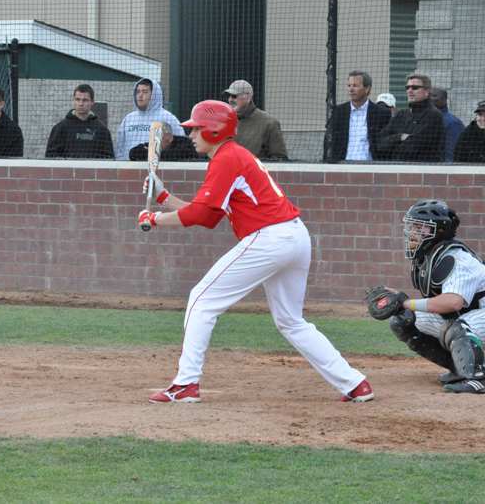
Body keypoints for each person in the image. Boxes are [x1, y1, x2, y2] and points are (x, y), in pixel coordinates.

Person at [139, 100, 372, 404]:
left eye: (196, 129)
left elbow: (200, 215)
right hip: (294, 237)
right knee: (291, 321)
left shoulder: (226, 158)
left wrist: (154, 219)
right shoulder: (232, 155)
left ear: (214, 129)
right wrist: (163, 197)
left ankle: (186, 384)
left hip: (270, 239)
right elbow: (209, 214)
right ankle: (354, 383)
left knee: (201, 300)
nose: (191, 135)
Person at [365, 199, 485, 394]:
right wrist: (400, 302)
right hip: (474, 314)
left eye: (420, 228)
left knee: (458, 327)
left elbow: (453, 302)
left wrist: (406, 302)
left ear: (439, 231)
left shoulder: (457, 259)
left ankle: (478, 378)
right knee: (403, 320)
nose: (412, 233)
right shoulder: (430, 257)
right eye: (412, 227)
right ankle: (460, 368)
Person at [324, 71, 392, 162]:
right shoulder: (339, 112)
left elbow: (386, 143)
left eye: (355, 86)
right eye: (349, 85)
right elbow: (328, 140)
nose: (351, 89)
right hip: (342, 165)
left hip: (370, 166)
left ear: (367, 89)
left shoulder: (381, 113)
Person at [377, 74, 445, 162]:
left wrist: (393, 144)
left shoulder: (434, 116)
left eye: (415, 88)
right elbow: (380, 143)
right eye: (407, 87)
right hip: (397, 167)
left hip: (422, 168)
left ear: (427, 91)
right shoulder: (401, 115)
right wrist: (400, 137)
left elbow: (414, 148)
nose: (410, 91)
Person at [114, 78, 184, 161]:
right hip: (129, 167)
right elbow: (119, 148)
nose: (140, 95)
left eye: (145, 92)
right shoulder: (129, 119)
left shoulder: (168, 118)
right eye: (138, 92)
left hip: (158, 166)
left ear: (154, 95)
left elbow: (181, 145)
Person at [224, 79, 287, 161]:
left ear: (248, 97)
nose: (230, 100)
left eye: (234, 96)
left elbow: (280, 158)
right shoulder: (224, 120)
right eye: (229, 96)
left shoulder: (269, 123)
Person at [45, 84, 113, 159]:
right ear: (73, 101)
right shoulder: (60, 128)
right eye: (77, 99)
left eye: (85, 100)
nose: (81, 104)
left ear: (92, 102)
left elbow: (108, 157)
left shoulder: (102, 130)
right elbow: (50, 156)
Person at [128, 121, 200, 161]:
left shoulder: (185, 144)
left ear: (169, 137)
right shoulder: (153, 143)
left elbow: (170, 156)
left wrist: (151, 153)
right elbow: (133, 153)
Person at [430, 87, 465, 162]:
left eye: (434, 96)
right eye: (429, 95)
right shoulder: (426, 119)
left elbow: (451, 153)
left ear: (444, 100)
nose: (431, 98)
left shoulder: (452, 122)